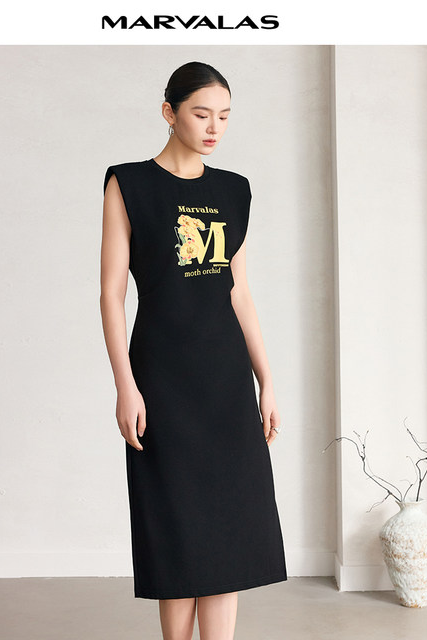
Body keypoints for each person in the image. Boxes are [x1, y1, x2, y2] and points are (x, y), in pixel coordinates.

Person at [100, 61, 287, 640]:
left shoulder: (233, 190)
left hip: (225, 382)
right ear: (169, 112)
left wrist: (267, 381)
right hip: (162, 381)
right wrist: (125, 385)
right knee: (177, 534)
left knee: (227, 535)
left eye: (224, 117)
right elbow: (110, 294)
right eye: (201, 114)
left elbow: (240, 293)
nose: (214, 128)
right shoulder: (128, 184)